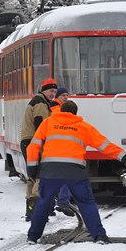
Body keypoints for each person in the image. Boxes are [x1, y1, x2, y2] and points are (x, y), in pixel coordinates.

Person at [26, 100, 126, 244]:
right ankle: (99, 236)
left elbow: (33, 146)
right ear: (75, 113)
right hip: (75, 171)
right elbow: (104, 144)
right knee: (86, 203)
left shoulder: (48, 123)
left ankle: (33, 237)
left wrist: (32, 168)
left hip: (51, 171)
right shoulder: (83, 127)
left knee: (44, 202)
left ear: (61, 110)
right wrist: (124, 156)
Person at [20, 78, 57, 221]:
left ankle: (31, 210)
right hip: (34, 142)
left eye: (54, 91)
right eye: (51, 90)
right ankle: (37, 210)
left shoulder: (37, 101)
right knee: (40, 176)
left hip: (27, 141)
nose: (53, 94)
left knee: (32, 175)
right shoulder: (41, 103)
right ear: (44, 90)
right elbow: (40, 125)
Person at [49, 87, 75, 217]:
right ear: (57, 97)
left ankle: (54, 204)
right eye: (63, 95)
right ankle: (63, 202)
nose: (66, 97)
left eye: (67, 95)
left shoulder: (54, 108)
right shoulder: (57, 110)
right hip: (61, 150)